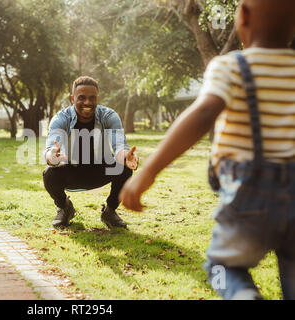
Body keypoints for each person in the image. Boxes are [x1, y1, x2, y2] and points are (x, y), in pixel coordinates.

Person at [119, 0, 295, 300]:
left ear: (243, 16)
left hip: (250, 196)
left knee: (221, 267)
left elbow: (201, 116)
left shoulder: (231, 67)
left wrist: (147, 172)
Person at [43, 76, 139, 228]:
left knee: (124, 166)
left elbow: (119, 145)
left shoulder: (108, 116)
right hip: (72, 171)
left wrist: (126, 156)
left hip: (99, 170)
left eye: (92, 98)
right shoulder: (61, 118)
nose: (87, 102)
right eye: (81, 98)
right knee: (49, 173)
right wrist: (52, 156)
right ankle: (65, 207)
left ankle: (110, 212)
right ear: (72, 98)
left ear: (97, 98)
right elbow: (50, 149)